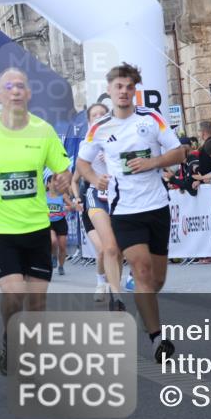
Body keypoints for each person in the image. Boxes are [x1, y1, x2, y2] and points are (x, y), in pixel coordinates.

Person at [76, 63, 187, 363]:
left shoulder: (151, 119)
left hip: (157, 207)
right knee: (141, 270)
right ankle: (157, 339)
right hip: (124, 211)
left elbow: (179, 153)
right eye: (118, 87)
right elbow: (82, 163)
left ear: (134, 90)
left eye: (129, 87)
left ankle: (145, 309)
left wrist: (152, 163)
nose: (124, 92)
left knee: (157, 280)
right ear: (110, 91)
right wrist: (92, 178)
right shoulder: (99, 128)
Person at [0, 68, 73, 375]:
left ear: (28, 94)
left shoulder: (44, 131)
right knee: (14, 296)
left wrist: (63, 180)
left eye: (21, 86)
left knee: (37, 304)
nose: (15, 91)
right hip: (0, 230)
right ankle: (9, 338)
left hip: (37, 228)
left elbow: (61, 170)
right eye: (8, 87)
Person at [72, 103, 125, 305]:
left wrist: (114, 156)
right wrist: (77, 198)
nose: (99, 117)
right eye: (94, 115)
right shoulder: (87, 144)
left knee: (117, 249)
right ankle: (102, 284)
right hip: (95, 197)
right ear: (89, 121)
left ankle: (115, 288)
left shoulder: (120, 137)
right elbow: (75, 176)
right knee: (105, 249)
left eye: (103, 114)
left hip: (119, 197)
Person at [46, 173, 71, 275]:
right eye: (53, 181)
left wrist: (69, 208)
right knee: (53, 241)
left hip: (61, 222)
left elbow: (71, 205)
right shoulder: (43, 196)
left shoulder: (63, 195)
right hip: (49, 223)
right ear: (48, 184)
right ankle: (53, 256)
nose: (55, 183)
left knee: (63, 246)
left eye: (57, 182)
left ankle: (61, 266)